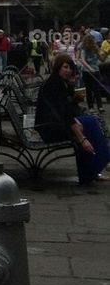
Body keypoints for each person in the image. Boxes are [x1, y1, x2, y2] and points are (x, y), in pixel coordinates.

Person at [35, 53, 109, 186]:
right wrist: (82, 138)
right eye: (65, 67)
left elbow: (66, 109)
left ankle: (93, 169)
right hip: (50, 127)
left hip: (54, 123)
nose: (68, 70)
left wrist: (72, 88)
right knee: (90, 124)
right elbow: (65, 114)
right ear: (58, 67)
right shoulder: (55, 84)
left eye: (70, 68)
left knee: (90, 121)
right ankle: (97, 165)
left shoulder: (60, 82)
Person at [79, 33, 104, 110]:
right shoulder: (83, 49)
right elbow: (82, 60)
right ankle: (91, 107)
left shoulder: (96, 49)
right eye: (91, 41)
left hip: (96, 71)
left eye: (93, 40)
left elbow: (101, 59)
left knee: (97, 89)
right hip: (87, 72)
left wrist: (106, 53)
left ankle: (100, 106)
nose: (92, 42)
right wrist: (89, 68)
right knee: (89, 89)